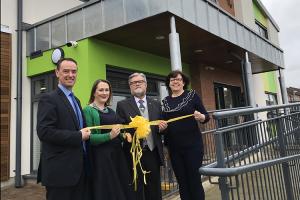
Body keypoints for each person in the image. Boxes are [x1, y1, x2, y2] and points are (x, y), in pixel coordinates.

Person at [37, 58, 91, 200]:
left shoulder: (76, 100)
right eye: (66, 71)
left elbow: (81, 129)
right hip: (60, 172)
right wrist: (78, 136)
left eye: (74, 71)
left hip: (79, 170)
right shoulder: (48, 98)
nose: (71, 75)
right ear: (57, 72)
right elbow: (44, 132)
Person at [116, 73, 168, 200]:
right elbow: (121, 127)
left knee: (154, 188)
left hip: (153, 152)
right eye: (133, 82)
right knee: (136, 189)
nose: (137, 84)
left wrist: (163, 129)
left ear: (145, 84)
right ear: (130, 87)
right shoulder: (122, 105)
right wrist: (127, 134)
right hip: (134, 154)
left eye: (140, 81)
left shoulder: (155, 104)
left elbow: (160, 128)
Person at [161, 70, 210, 200]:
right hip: (174, 148)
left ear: (183, 82)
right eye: (172, 80)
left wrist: (201, 117)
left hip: (193, 146)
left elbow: (206, 116)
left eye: (178, 79)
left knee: (194, 181)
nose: (175, 82)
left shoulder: (192, 95)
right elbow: (165, 126)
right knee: (182, 182)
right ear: (169, 84)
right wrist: (162, 129)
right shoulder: (165, 101)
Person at [83, 79, 134, 200]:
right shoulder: (88, 110)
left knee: (120, 189)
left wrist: (124, 135)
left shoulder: (111, 111)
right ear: (94, 93)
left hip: (117, 156)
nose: (104, 93)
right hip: (101, 158)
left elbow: (118, 131)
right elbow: (89, 138)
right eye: (101, 90)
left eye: (107, 90)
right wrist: (109, 136)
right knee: (107, 191)